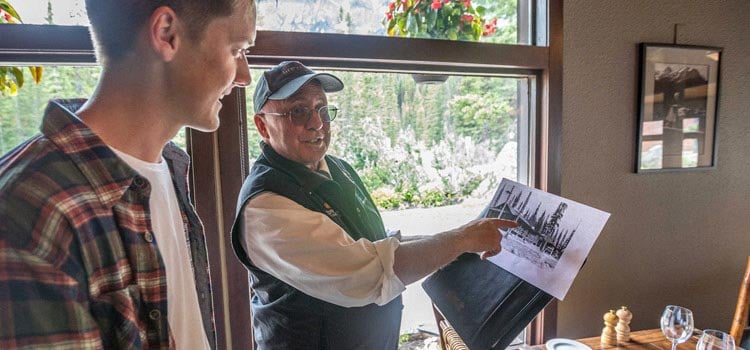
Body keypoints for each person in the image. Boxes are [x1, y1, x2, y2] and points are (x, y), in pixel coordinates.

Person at [0, 0, 256, 348]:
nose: (244, 77)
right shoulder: (31, 211)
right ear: (166, 33)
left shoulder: (170, 168)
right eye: (236, 50)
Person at [231, 61, 517, 349]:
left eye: (322, 109)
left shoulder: (337, 168)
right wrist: (462, 239)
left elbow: (377, 243)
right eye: (298, 111)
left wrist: (462, 238)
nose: (317, 122)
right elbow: (368, 272)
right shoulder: (266, 207)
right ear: (262, 126)